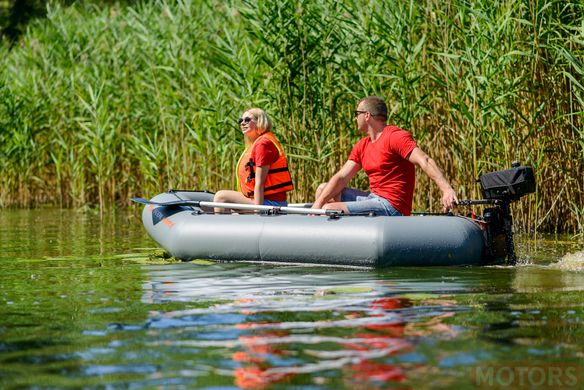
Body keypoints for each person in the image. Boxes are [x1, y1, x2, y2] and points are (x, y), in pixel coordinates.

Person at [312, 96, 457, 216]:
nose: (355, 118)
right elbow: (342, 177)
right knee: (322, 189)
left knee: (327, 209)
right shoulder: (363, 145)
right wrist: (317, 203)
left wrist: (446, 189)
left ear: (367, 115)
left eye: (357, 114)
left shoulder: (395, 137)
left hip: (392, 206)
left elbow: (424, 160)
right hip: (373, 199)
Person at [213, 108, 293, 213]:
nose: (242, 123)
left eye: (247, 120)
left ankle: (219, 229)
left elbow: (260, 182)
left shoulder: (263, 144)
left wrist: (257, 210)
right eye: (240, 120)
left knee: (221, 197)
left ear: (259, 121)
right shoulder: (257, 143)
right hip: (263, 200)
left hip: (270, 203)